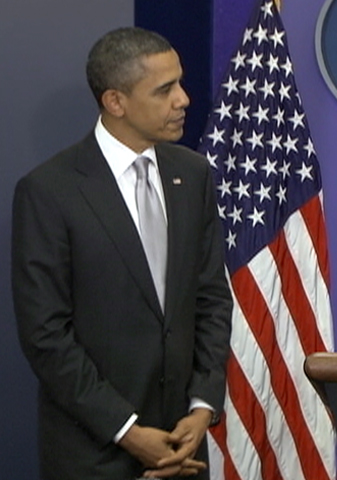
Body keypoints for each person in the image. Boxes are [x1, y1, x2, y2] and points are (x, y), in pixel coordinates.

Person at [12, 27, 232, 479]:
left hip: (183, 450)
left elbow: (211, 298)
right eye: (165, 90)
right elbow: (46, 334)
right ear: (115, 102)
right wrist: (127, 431)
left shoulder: (192, 175)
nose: (184, 100)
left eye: (180, 83)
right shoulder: (49, 191)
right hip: (94, 456)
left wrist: (202, 407)